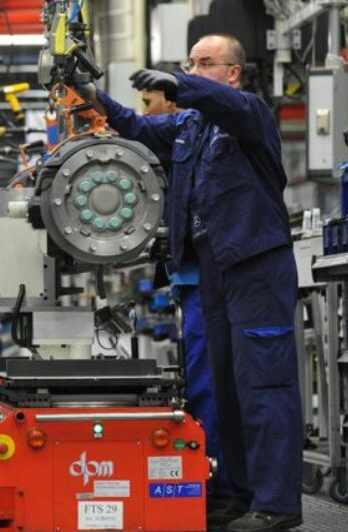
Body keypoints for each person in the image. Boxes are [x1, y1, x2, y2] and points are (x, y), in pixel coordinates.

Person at [78, 34, 303, 531]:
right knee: (223, 390)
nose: (197, 70)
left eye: (206, 63)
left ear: (233, 72)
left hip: (255, 267)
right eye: (191, 63)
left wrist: (179, 82)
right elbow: (137, 125)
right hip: (212, 270)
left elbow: (225, 105)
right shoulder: (188, 127)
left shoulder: (250, 115)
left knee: (263, 385)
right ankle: (234, 493)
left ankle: (277, 503)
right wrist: (91, 94)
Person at [141, 87, 226, 503]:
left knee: (207, 384)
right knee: (196, 382)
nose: (145, 113)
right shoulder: (180, 143)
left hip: (204, 280)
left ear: (171, 106)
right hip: (186, 278)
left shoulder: (196, 137)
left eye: (148, 103)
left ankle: (214, 481)